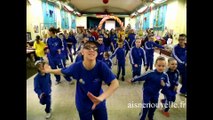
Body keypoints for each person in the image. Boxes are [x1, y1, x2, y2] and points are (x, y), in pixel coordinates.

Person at [43, 41, 119, 120]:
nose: (92, 50)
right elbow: (62, 71)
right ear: (82, 52)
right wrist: (49, 70)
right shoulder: (76, 67)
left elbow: (115, 83)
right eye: (88, 48)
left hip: (99, 103)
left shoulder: (101, 66)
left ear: (97, 53)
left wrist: (101, 98)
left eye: (94, 48)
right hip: (83, 105)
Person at [128, 56, 170, 120]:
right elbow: (141, 77)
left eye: (163, 66)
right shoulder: (150, 73)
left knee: (154, 106)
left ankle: (150, 116)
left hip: (156, 93)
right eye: (159, 65)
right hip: (147, 92)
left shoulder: (165, 75)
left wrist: (165, 84)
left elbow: (168, 84)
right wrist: (133, 80)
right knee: (145, 106)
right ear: (155, 65)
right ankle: (142, 117)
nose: (161, 67)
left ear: (166, 66)